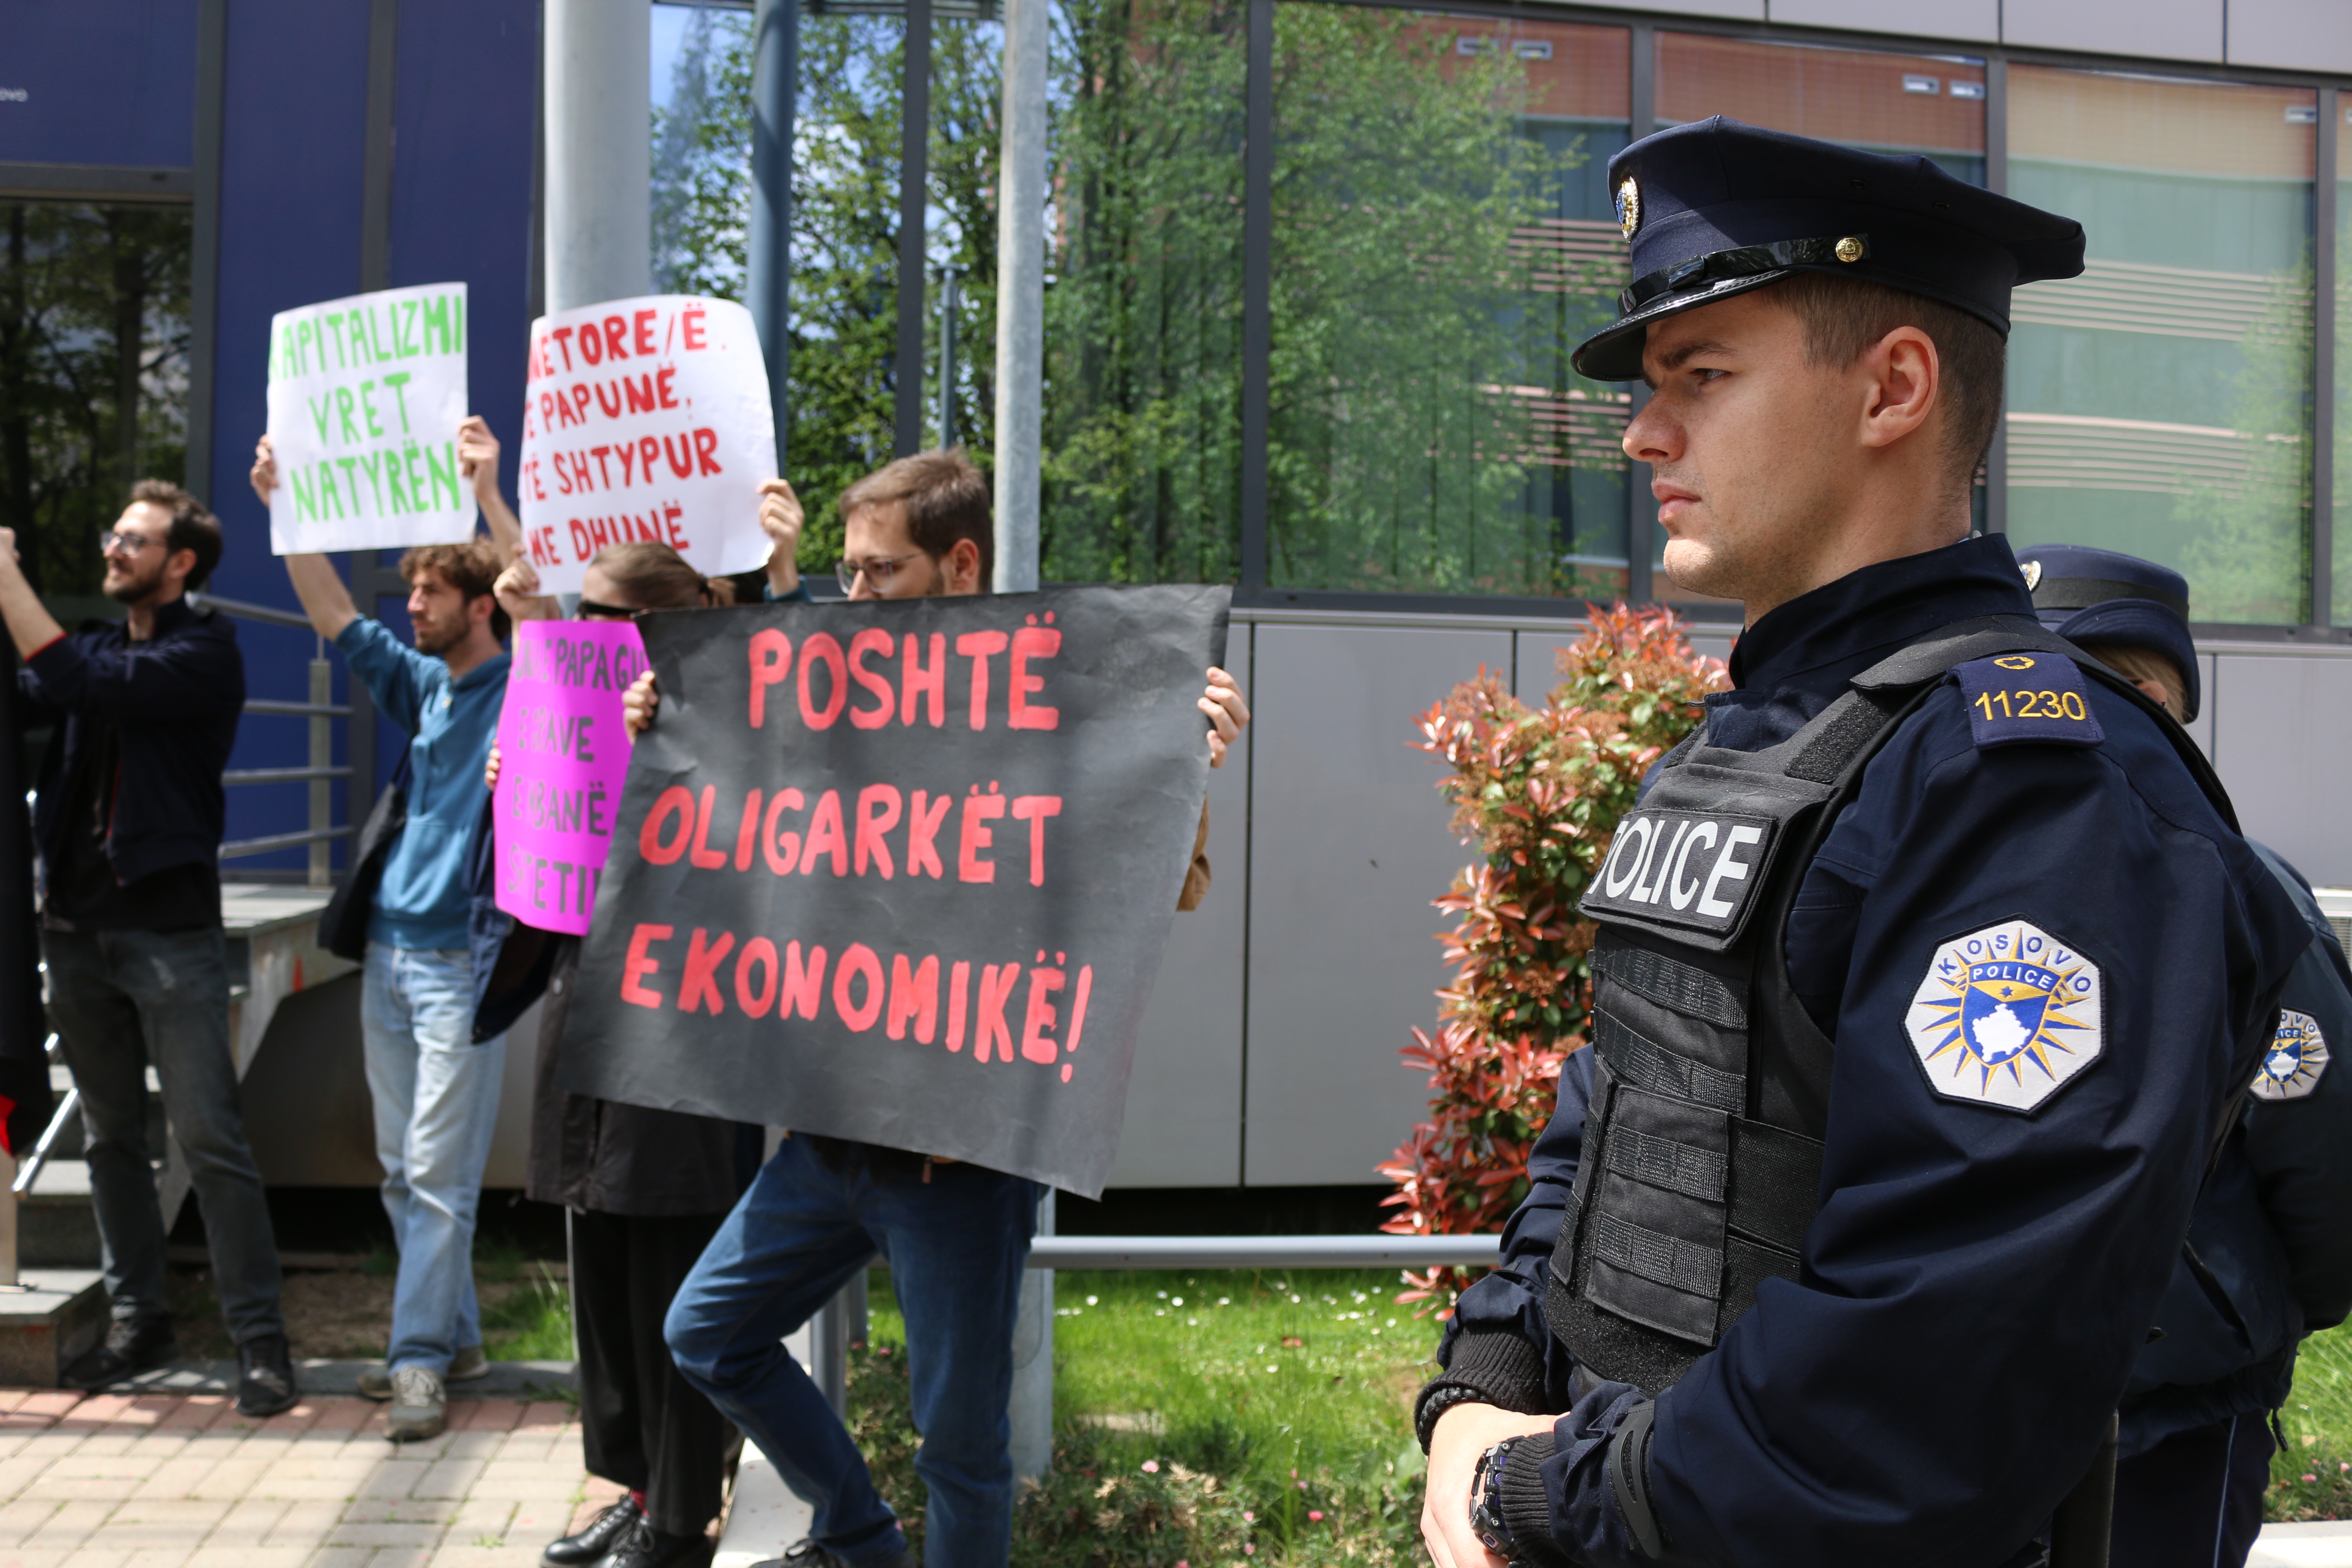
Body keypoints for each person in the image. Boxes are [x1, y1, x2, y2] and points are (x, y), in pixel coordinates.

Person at [1410, 118, 2309, 1568]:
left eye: (1700, 376)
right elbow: (1617, 1107)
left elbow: (1938, 1365)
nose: (1643, 432)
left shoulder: (2032, 793)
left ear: (1893, 385)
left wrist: (1547, 1496)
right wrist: (1489, 1382)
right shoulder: (1748, 739)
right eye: (1652, 388)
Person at [635, 448, 1246, 1568]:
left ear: (960, 566)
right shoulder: (850, 694)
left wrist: (1180, 770)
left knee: (960, 1451)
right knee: (707, 1334)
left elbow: (1160, 894)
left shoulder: (1064, 708)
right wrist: (673, 717)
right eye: (846, 574)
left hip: (957, 1160)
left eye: (880, 574)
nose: (854, 598)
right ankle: (859, 1535)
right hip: (827, 1136)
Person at [2011, 543, 2352, 1568]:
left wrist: (2253, 1313)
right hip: (1975, 1408)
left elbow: (2323, 1138)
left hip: (2174, 1417)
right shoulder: (1950, 879)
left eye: (2077, 688)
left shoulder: (2238, 891)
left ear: (2156, 699)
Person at [470, 541, 764, 1568]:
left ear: (656, 627)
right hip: (585, 1029)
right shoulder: (565, 707)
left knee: (672, 1285)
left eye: (598, 616)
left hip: (683, 1045)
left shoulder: (725, 715)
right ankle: (633, 1489)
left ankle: (683, 1520)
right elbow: (523, 889)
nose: (577, 633)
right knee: (601, 1277)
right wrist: (512, 788)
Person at [0, 482, 296, 1417]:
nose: (115, 548)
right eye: (113, 533)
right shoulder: (89, 645)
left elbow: (83, 685)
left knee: (211, 1141)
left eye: (135, 539)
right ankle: (142, 1320)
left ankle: (261, 1344)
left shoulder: (207, 651)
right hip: (74, 934)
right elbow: (37, 689)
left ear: (182, 564)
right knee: (112, 1142)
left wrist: (6, 577)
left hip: (168, 933)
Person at [250, 420, 516, 1442]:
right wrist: (287, 506)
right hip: (393, 958)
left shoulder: (525, 680)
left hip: (466, 964)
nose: (411, 608)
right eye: (410, 594)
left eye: (430, 596)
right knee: (406, 1170)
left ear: (478, 607)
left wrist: (489, 492)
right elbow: (328, 612)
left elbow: (545, 594)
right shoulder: (425, 686)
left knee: (440, 1175)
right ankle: (459, 1343)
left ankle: (415, 1367)